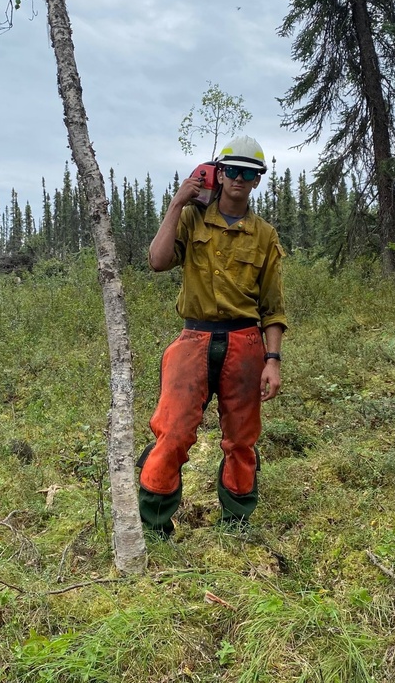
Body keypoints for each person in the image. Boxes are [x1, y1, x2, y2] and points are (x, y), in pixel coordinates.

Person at [137, 135, 287, 536]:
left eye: (248, 173)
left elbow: (273, 307)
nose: (239, 179)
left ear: (257, 180)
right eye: (232, 171)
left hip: (245, 343)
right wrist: (176, 204)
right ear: (218, 174)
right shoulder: (191, 219)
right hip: (194, 340)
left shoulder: (265, 236)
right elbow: (157, 261)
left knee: (241, 439)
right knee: (173, 432)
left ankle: (236, 522)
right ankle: (154, 524)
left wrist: (273, 361)